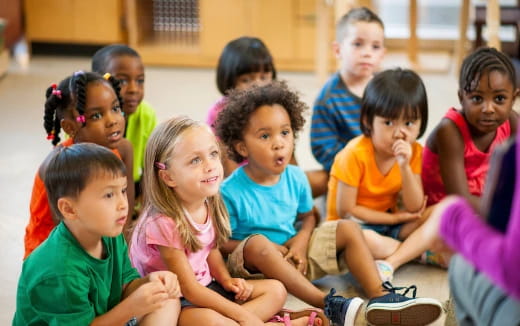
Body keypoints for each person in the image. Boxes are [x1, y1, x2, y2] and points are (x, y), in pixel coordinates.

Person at [215, 81, 442, 326]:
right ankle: (329, 302)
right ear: (241, 147)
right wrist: (267, 248)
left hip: (295, 258)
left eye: (285, 132)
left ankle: (382, 296)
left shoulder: (295, 177)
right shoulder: (229, 192)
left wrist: (301, 243)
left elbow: (309, 216)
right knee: (258, 244)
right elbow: (218, 243)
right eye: (265, 136)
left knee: (347, 228)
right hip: (254, 270)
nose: (279, 143)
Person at [130, 117, 323, 326]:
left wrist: (225, 279)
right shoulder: (163, 223)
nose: (210, 166)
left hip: (206, 287)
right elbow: (189, 290)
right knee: (213, 321)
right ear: (168, 177)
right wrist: (242, 315)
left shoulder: (206, 200)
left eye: (213, 154)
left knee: (277, 290)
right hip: (177, 301)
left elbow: (210, 249)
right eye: (195, 160)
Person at [13, 143, 180, 325]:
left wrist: (150, 282)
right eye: (109, 195)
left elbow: (125, 284)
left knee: (167, 300)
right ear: (69, 209)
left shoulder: (109, 233)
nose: (123, 204)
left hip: (103, 317)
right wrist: (132, 307)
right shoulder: (59, 270)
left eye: (122, 191)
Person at [328, 68, 435, 277]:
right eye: (388, 122)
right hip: (353, 229)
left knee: (444, 211)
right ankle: (418, 252)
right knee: (365, 240)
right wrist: (395, 220)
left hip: (390, 223)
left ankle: (397, 255)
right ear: (368, 121)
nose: (399, 133)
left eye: (409, 123)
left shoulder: (413, 152)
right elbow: (346, 211)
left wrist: (404, 166)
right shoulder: (353, 154)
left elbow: (414, 207)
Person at [23, 71, 135, 258]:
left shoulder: (122, 149)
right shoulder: (58, 166)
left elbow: (127, 200)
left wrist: (121, 252)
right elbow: (65, 231)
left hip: (98, 233)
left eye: (115, 109)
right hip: (53, 252)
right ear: (69, 127)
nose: (112, 121)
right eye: (97, 116)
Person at [422, 128, 520, 325]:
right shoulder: (449, 132)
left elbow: (513, 267)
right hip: (412, 216)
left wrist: (452, 218)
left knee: (462, 263)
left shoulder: (511, 129)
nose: (489, 109)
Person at [422, 47, 518, 210]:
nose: (488, 108)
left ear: (513, 99)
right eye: (477, 98)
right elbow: (459, 199)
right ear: (461, 98)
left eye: (499, 98)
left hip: (484, 201)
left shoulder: (512, 122)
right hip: (442, 210)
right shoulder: (450, 131)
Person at [310, 7, 385, 176]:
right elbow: (323, 148)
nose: (367, 53)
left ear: (382, 54)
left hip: (385, 164)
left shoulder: (385, 90)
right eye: (358, 44)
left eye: (375, 47)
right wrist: (356, 166)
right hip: (349, 171)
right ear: (338, 50)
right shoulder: (329, 98)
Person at [92, 44, 157, 204]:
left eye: (140, 80)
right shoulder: (81, 117)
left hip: (131, 190)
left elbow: (151, 171)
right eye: (122, 81)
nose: (134, 89)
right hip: (92, 190)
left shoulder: (146, 115)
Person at [206, 36, 276, 177]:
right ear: (230, 80)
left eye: (264, 77)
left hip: (270, 172)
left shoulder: (275, 108)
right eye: (247, 80)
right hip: (237, 179)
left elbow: (287, 152)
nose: (257, 85)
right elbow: (227, 164)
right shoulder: (219, 112)